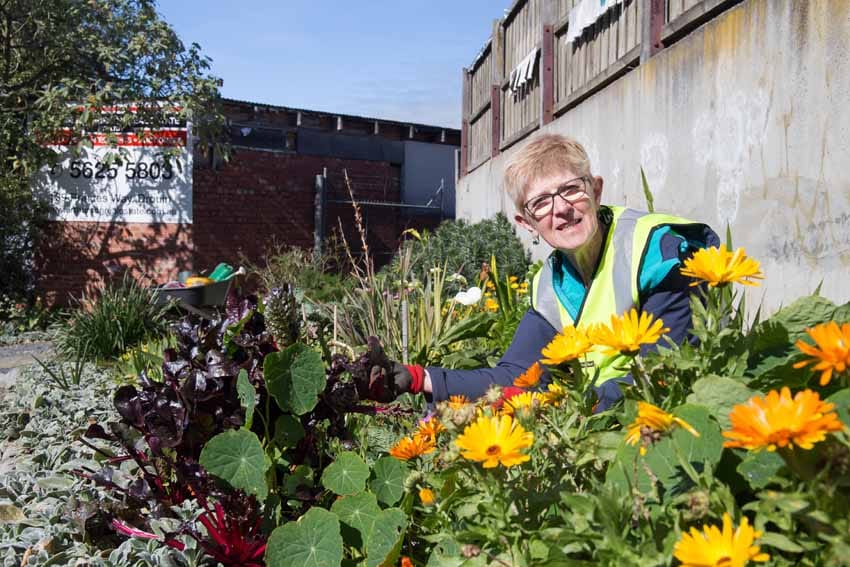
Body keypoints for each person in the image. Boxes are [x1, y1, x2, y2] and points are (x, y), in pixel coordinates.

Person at [369, 134, 719, 412]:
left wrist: (551, 407)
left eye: (571, 189)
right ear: (527, 223)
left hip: (674, 427)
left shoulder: (658, 251)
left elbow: (664, 374)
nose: (561, 209)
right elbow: (516, 376)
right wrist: (416, 377)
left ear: (596, 191)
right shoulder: (550, 284)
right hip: (602, 429)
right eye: (540, 202)